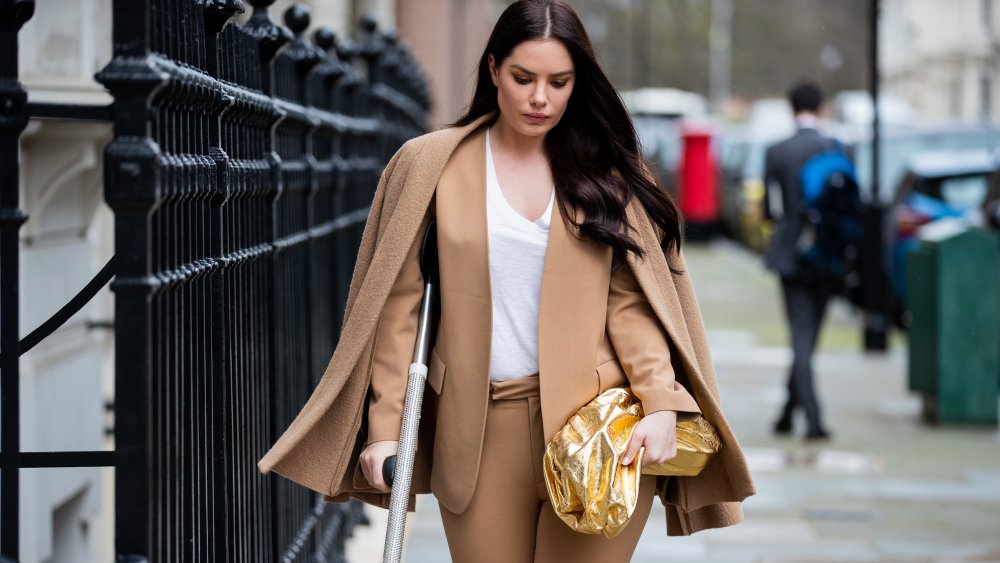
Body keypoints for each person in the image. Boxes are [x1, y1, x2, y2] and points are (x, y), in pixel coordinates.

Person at [258, 2, 754, 561]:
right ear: (493, 69)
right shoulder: (431, 166)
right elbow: (399, 314)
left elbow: (632, 304)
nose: (540, 98)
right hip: (477, 432)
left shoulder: (605, 174)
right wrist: (384, 429)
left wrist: (661, 402)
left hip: (599, 431)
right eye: (523, 78)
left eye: (558, 82)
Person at [762, 81, 836, 440]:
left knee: (800, 338)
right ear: (821, 108)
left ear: (792, 109)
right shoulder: (837, 147)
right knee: (808, 339)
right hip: (829, 256)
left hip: (791, 254)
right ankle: (791, 415)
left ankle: (809, 419)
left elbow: (769, 209)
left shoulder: (777, 151)